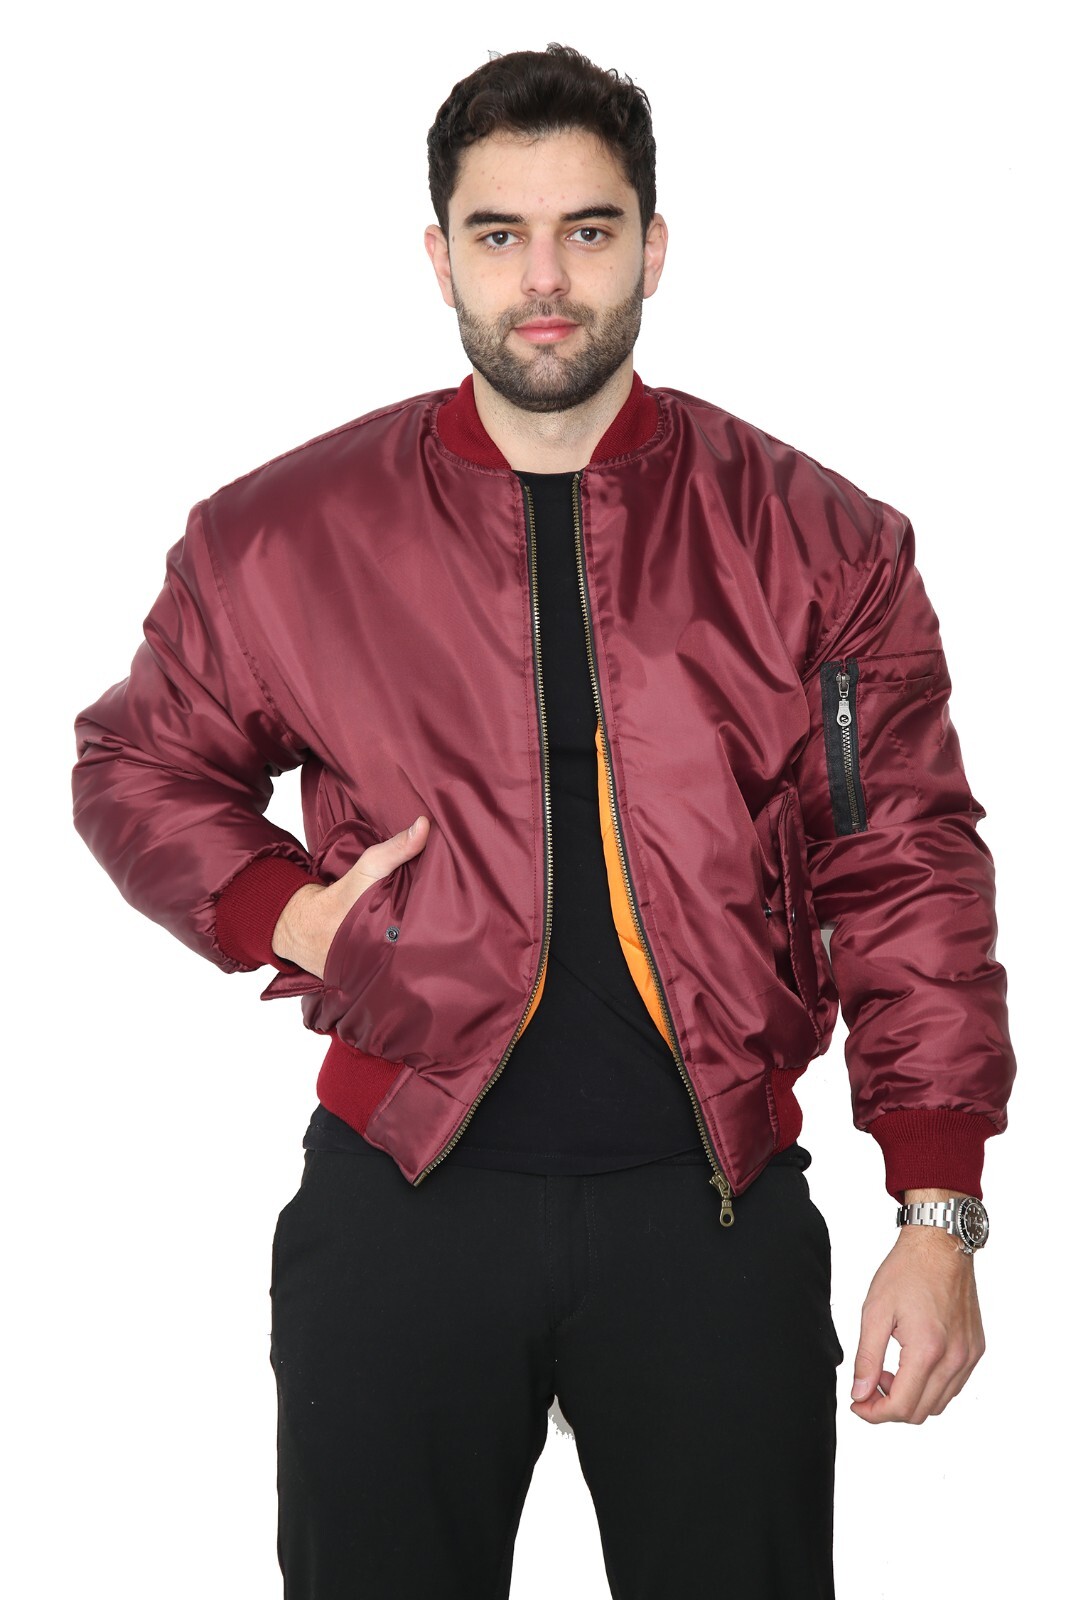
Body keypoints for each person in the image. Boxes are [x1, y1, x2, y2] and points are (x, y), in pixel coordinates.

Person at [71, 43, 1015, 1600]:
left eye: (587, 229)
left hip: (712, 1213)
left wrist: (937, 1204)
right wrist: (278, 913)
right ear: (439, 255)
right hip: (399, 1205)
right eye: (499, 234)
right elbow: (133, 763)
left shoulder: (818, 541)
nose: (545, 279)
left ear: (653, 246)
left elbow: (904, 865)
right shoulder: (285, 537)